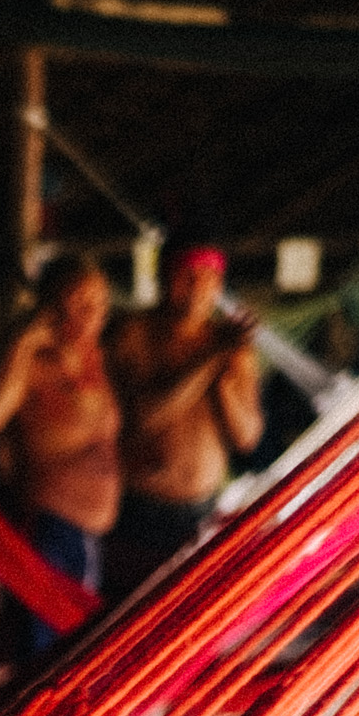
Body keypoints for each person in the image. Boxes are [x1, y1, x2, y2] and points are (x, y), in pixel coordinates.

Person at [0, 255, 123, 677]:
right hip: (49, 531)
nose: (92, 313)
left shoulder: (99, 361)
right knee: (41, 656)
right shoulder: (33, 363)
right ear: (51, 305)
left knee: (71, 649)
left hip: (89, 537)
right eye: (80, 301)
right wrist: (25, 341)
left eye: (99, 302)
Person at [101, 244, 266, 605]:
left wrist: (224, 383)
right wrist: (211, 359)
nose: (196, 288)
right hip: (138, 509)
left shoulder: (231, 347)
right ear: (164, 278)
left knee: (187, 618)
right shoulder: (134, 333)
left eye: (208, 279)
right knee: (127, 617)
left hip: (200, 511)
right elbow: (145, 420)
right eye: (187, 277)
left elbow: (247, 439)